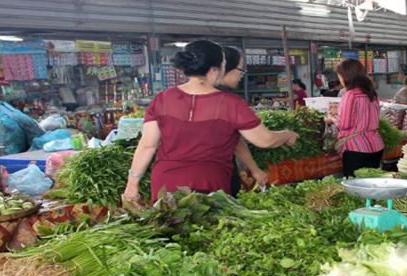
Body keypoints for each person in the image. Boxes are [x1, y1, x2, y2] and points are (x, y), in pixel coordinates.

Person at [123, 40, 298, 202]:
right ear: (214, 69)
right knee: (206, 233)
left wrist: (132, 185)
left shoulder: (161, 99)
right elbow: (265, 140)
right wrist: (287, 134)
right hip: (208, 183)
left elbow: (147, 145)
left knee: (169, 231)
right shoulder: (231, 103)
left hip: (165, 183)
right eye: (223, 63)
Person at [219, 47, 269, 196]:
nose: (241, 75)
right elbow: (265, 140)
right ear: (223, 68)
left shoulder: (173, 99)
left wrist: (254, 170)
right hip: (219, 177)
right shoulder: (228, 100)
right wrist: (286, 135)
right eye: (240, 69)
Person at [327, 58, 384, 177]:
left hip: (357, 148)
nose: (339, 79)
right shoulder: (371, 92)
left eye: (339, 75)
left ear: (346, 76)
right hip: (376, 145)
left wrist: (331, 119)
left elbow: (344, 124)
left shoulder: (350, 94)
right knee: (371, 185)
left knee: (355, 188)